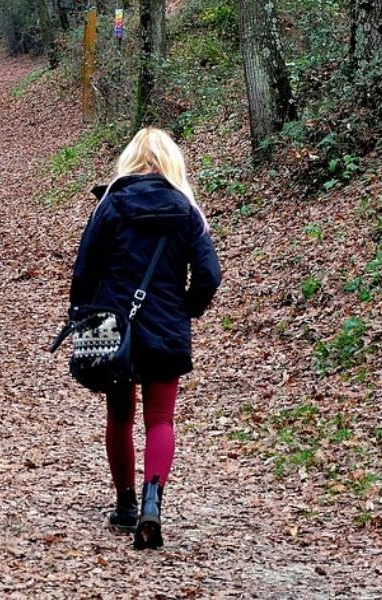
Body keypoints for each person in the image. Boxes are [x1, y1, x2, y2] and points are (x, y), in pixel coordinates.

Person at [68, 127, 221, 550]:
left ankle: (125, 505)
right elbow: (209, 275)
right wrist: (187, 308)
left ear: (130, 160)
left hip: (115, 326)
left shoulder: (110, 205)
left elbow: (84, 271)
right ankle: (153, 500)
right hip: (166, 326)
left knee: (120, 416)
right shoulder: (186, 210)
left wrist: (83, 314)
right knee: (161, 419)